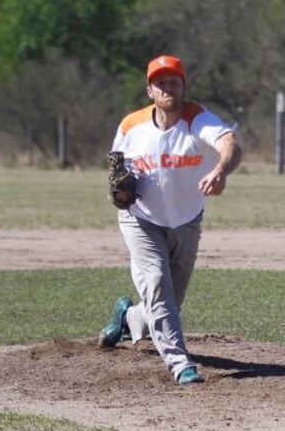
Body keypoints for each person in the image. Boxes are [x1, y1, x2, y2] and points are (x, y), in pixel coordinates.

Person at [98, 54, 242, 385]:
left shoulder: (198, 119)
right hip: (141, 219)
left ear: (184, 86)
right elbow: (117, 170)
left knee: (170, 298)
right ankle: (179, 363)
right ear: (150, 90)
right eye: (160, 82)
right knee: (157, 283)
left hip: (186, 220)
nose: (168, 87)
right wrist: (120, 190)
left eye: (173, 81)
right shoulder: (131, 126)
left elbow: (231, 145)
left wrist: (221, 169)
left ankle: (128, 317)